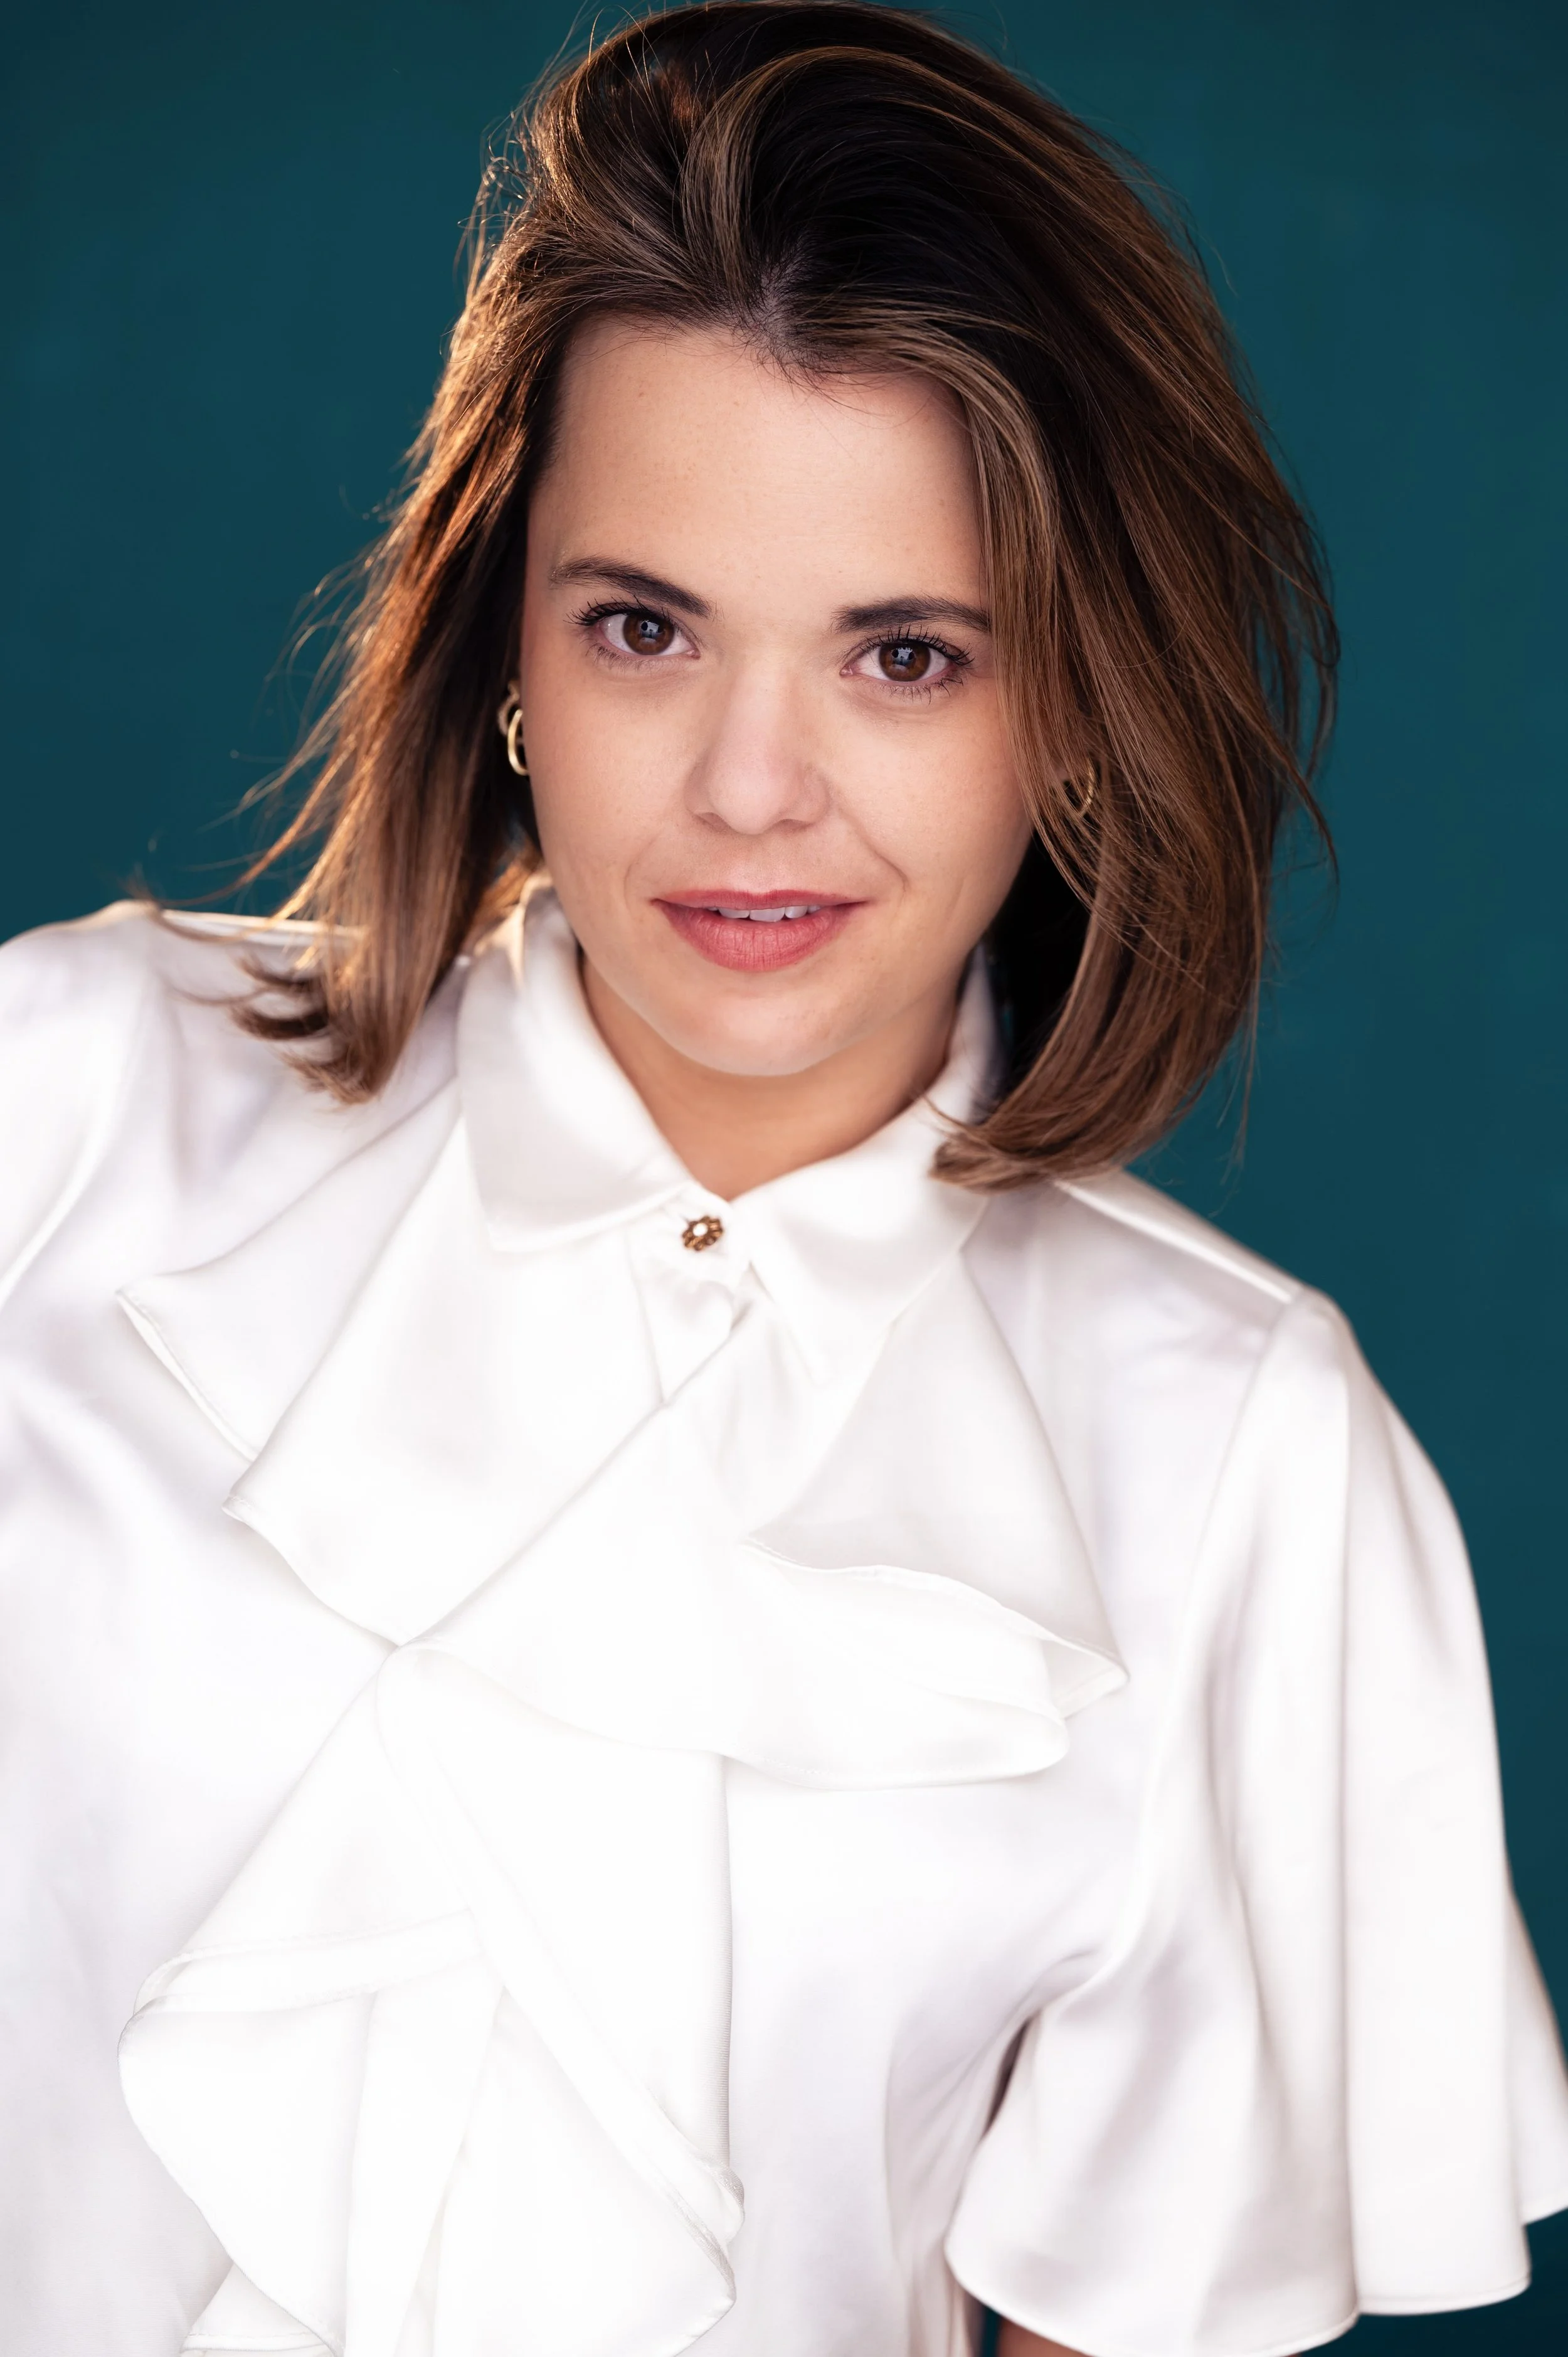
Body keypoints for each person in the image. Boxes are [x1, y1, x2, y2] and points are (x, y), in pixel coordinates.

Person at [2, 5, 1564, 2353]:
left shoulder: (1240, 1450)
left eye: (905, 655)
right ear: (506, 640)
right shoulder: (69, 1103)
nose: (754, 786)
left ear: (1076, 706)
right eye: (644, 624)